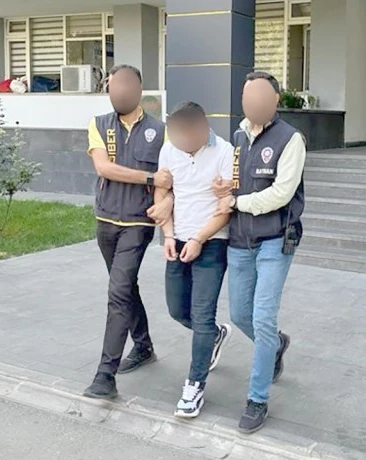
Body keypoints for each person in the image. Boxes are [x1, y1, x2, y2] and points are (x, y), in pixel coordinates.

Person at [214, 71, 306, 434]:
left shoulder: (290, 139)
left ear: (275, 100)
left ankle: (257, 399)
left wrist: (237, 202)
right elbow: (233, 181)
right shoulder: (237, 136)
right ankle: (276, 345)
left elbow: (282, 193)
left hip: (275, 239)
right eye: (247, 97)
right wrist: (223, 188)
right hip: (240, 239)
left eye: (260, 97)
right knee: (240, 314)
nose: (252, 103)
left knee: (263, 317)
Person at [83, 64, 173, 399]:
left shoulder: (161, 132)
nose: (118, 91)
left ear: (138, 89)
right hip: (106, 221)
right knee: (125, 287)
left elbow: (170, 176)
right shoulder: (98, 124)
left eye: (124, 85)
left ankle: (105, 375)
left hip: (138, 222)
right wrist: (149, 178)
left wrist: (167, 203)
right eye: (112, 86)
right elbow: (103, 167)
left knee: (118, 291)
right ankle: (144, 345)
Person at [155, 101, 234, 418]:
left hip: (212, 242)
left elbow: (225, 208)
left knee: (201, 314)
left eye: (187, 136)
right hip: (177, 239)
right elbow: (163, 192)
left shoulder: (224, 152)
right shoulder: (169, 149)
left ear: (203, 128)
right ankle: (214, 335)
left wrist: (200, 239)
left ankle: (194, 386)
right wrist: (168, 235)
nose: (181, 142)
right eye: (176, 136)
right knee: (177, 310)